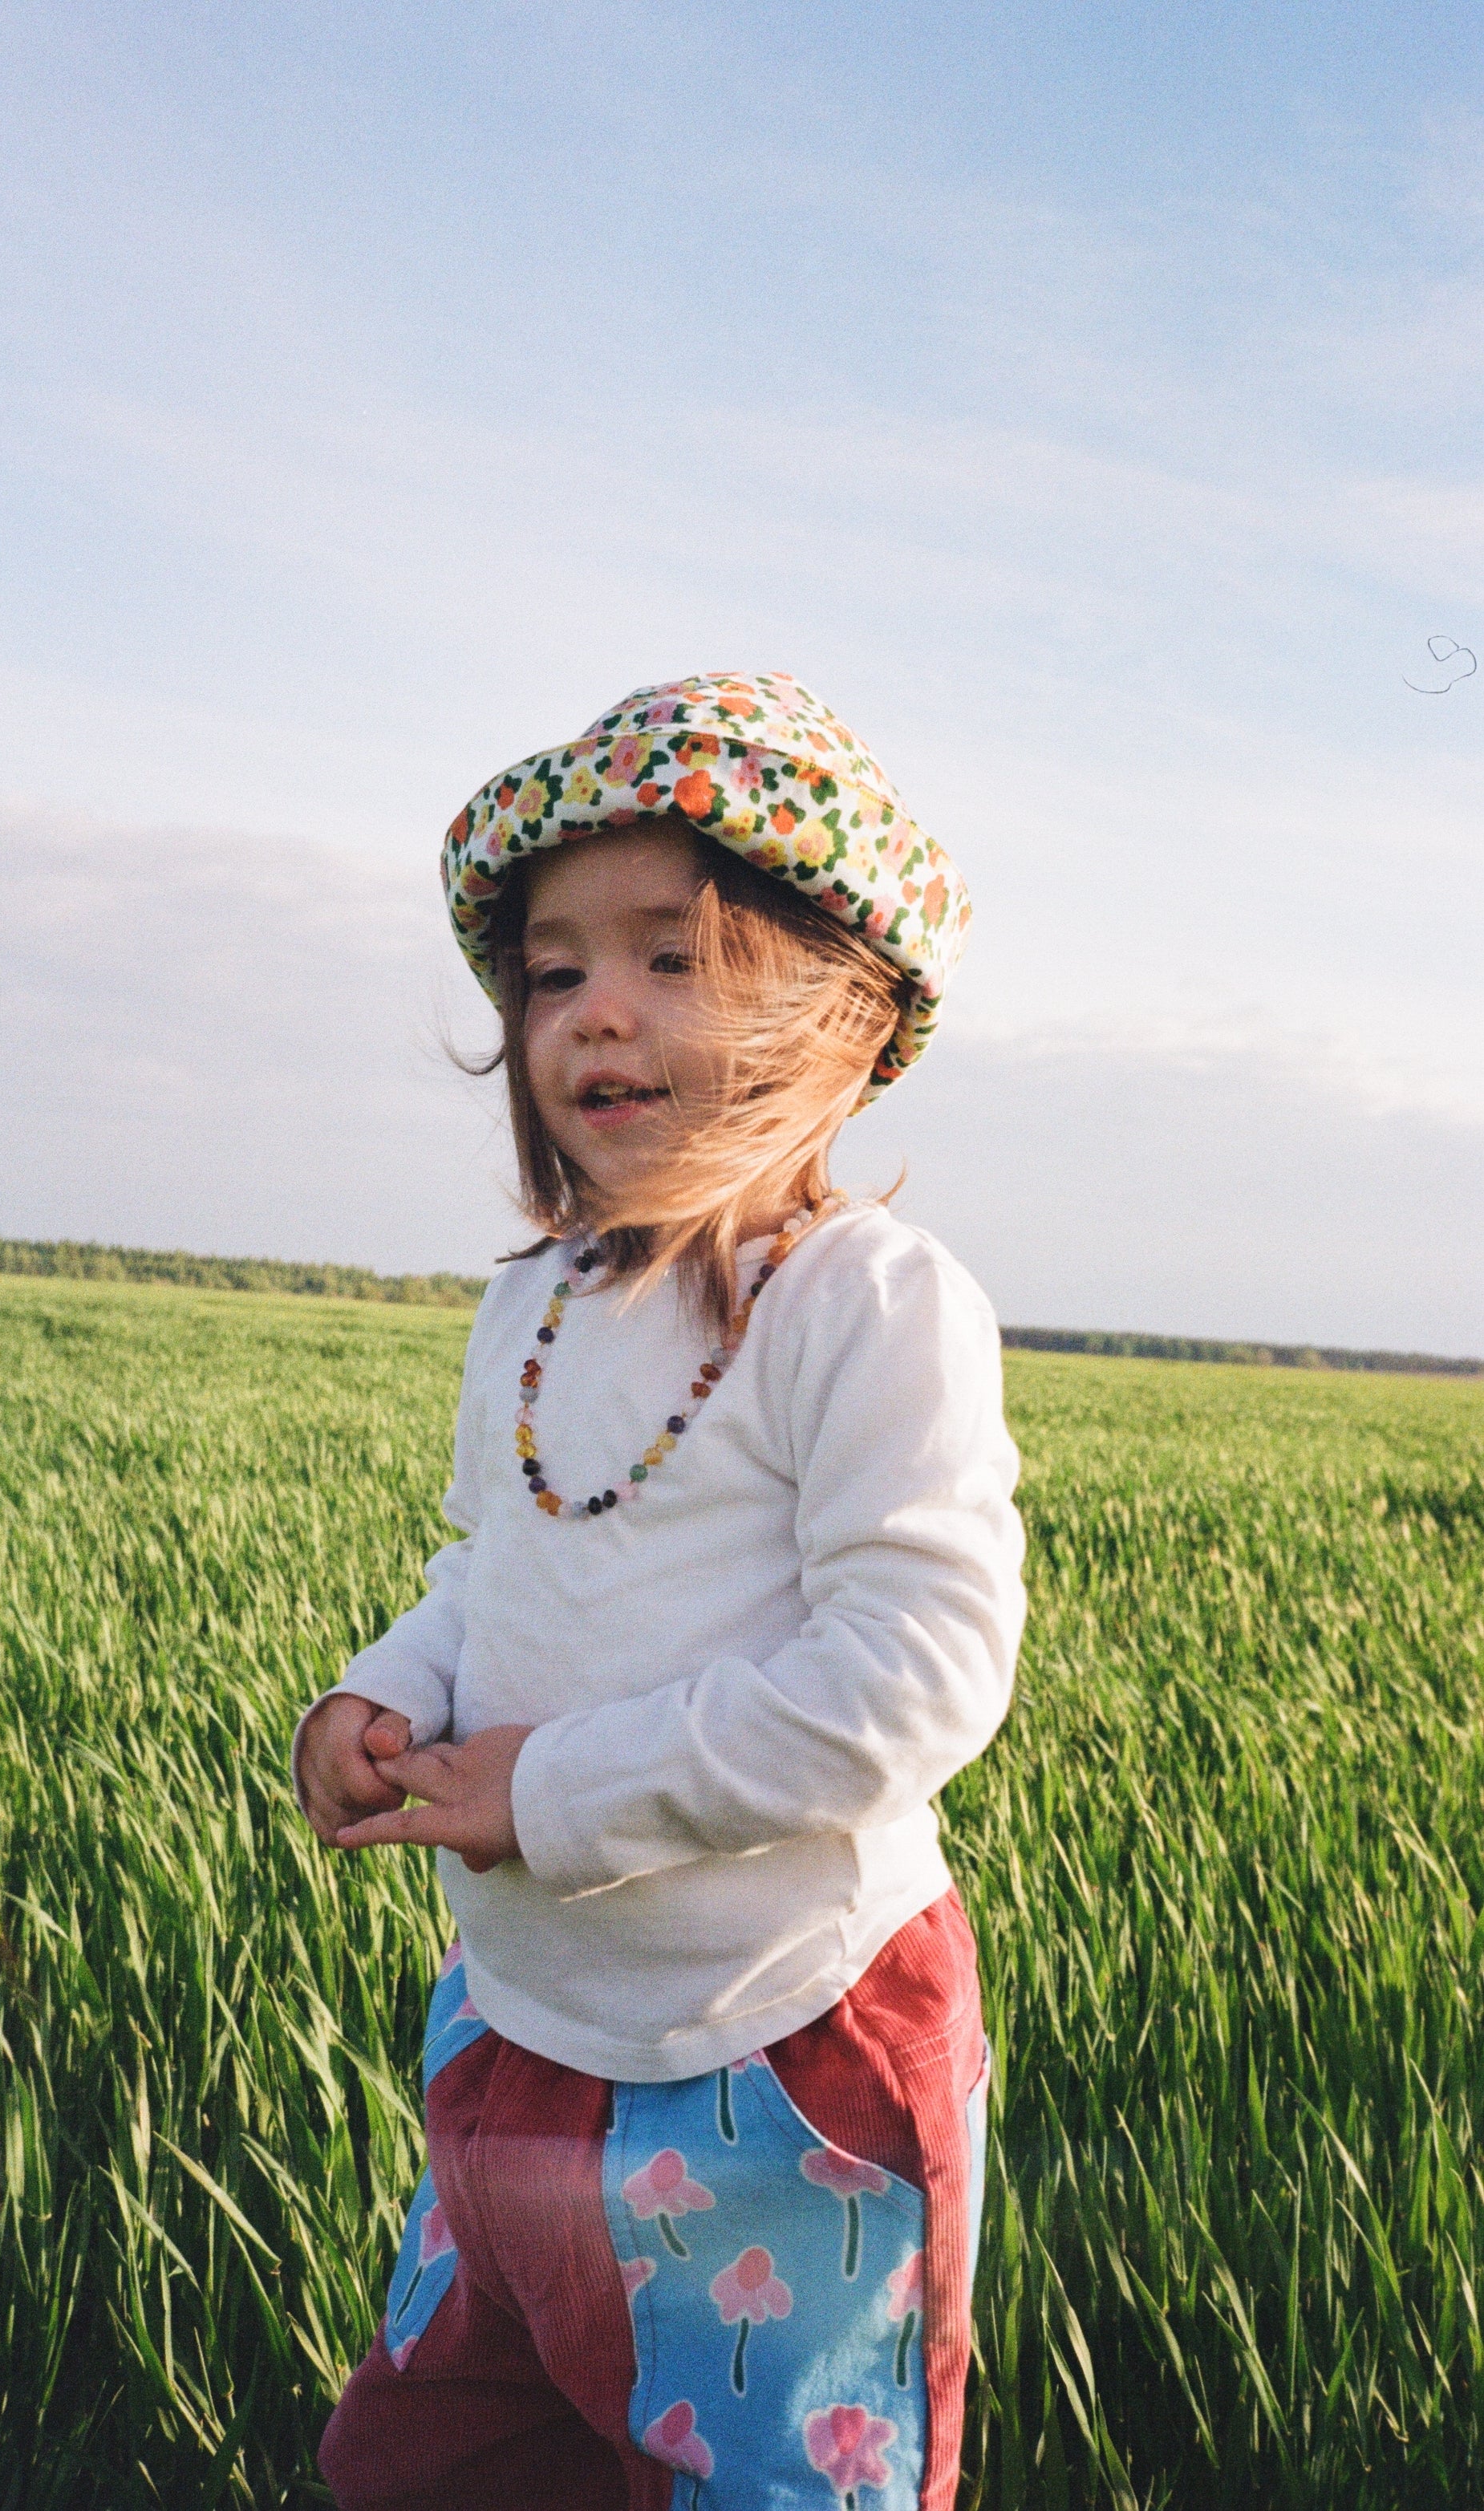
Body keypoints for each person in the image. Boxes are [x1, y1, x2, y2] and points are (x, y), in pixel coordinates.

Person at [293, 671, 1026, 2511]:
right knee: (438, 2457)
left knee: (774, 2481)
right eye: (553, 971)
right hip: (521, 2028)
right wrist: (389, 1693)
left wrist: (544, 1788)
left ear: (844, 1016)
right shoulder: (531, 1304)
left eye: (674, 957)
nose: (595, 1010)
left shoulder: (865, 1300)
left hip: (780, 2057)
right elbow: (500, 1564)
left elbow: (915, 1672)